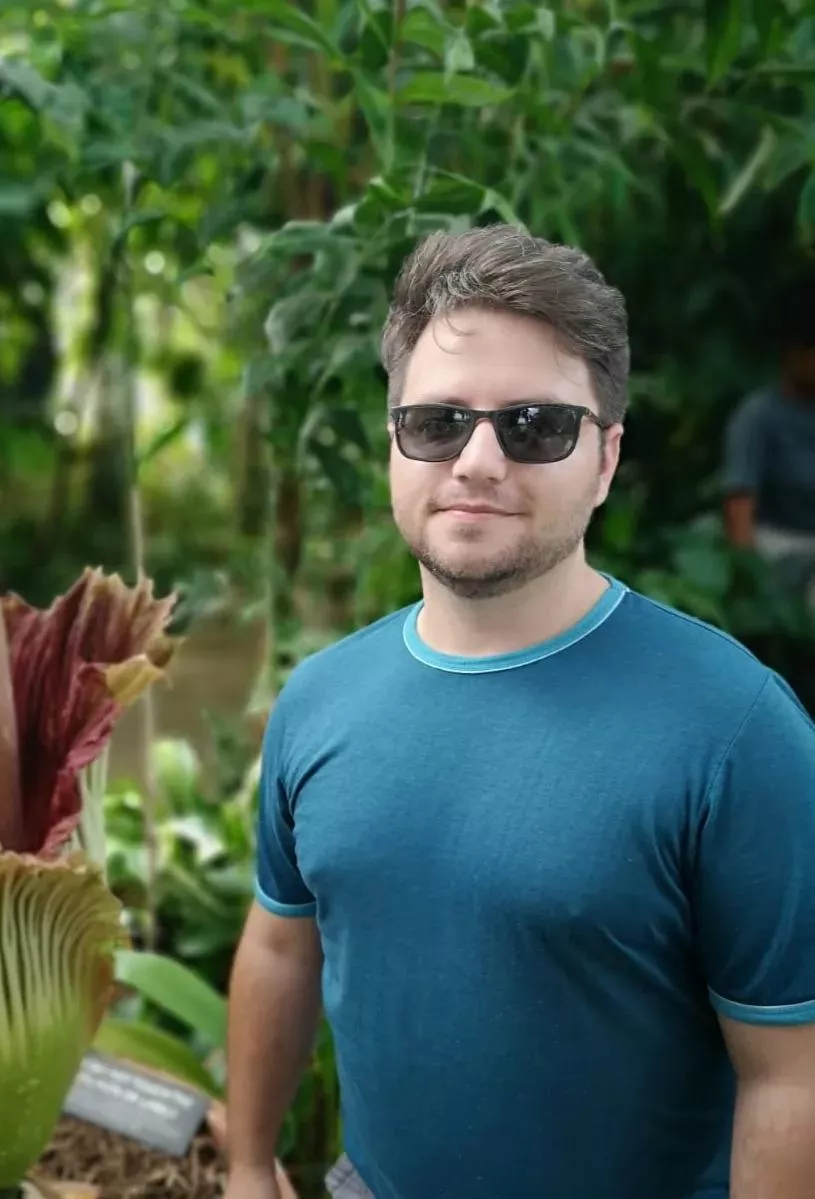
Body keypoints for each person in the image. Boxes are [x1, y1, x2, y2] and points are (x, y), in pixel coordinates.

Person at [224, 224, 815, 1199]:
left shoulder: (737, 731)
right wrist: (248, 1162)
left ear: (605, 457)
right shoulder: (317, 698)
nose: (476, 461)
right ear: (393, 445)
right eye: (436, 423)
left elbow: (789, 1071)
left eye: (533, 425)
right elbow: (281, 940)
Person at [722, 291, 815, 607]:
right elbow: (739, 503)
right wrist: (751, 583)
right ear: (794, 354)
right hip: (780, 544)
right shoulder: (759, 415)